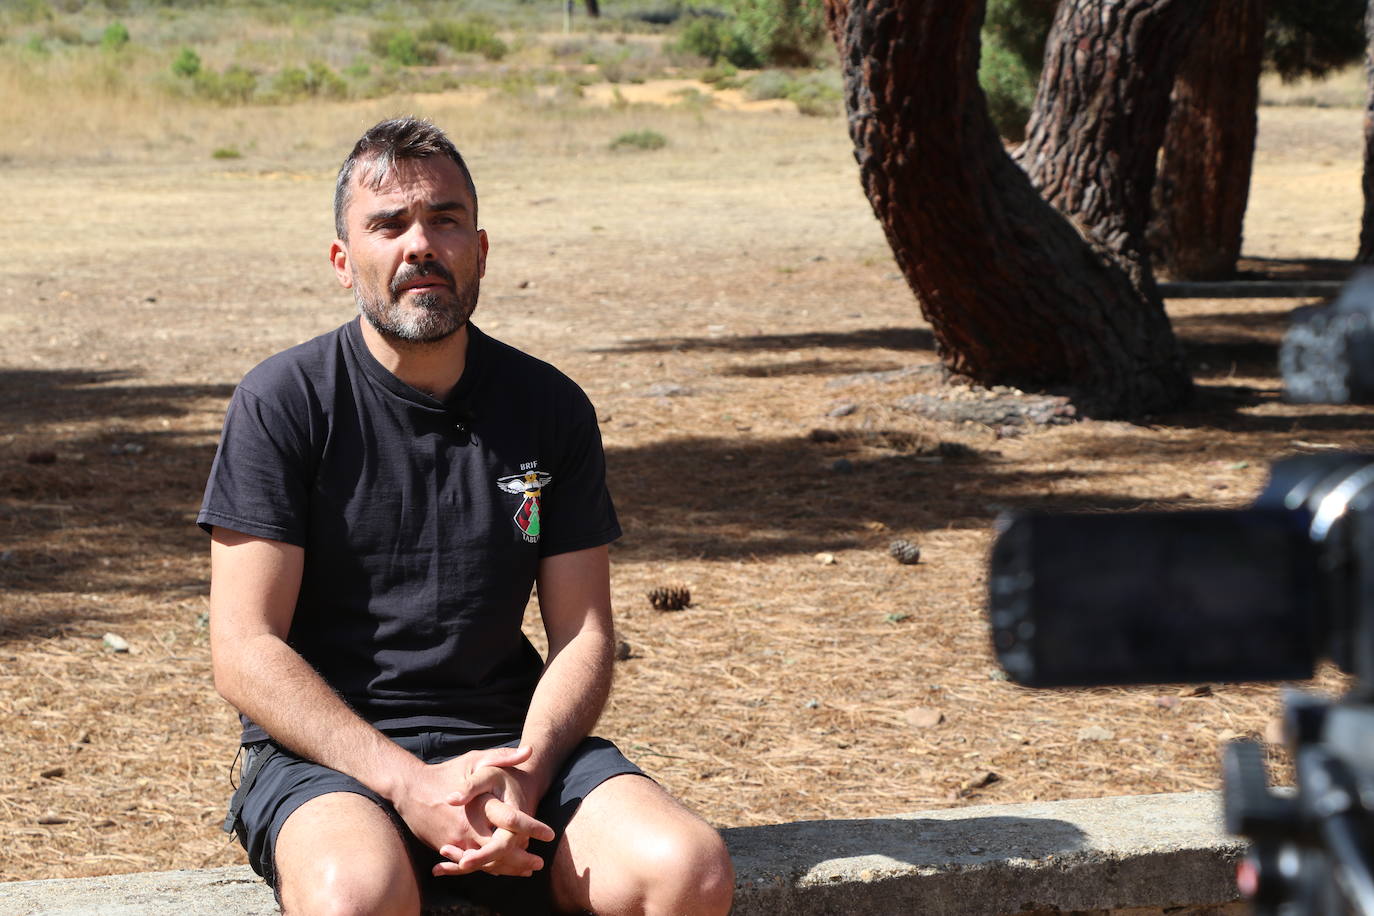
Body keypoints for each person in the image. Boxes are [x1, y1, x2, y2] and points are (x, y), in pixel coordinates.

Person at [198, 116, 734, 916]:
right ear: (345, 261)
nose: (420, 244)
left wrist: (527, 769)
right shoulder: (284, 403)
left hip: (511, 742)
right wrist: (408, 784)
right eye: (388, 224)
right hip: (330, 759)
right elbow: (244, 649)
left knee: (686, 870)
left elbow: (585, 631)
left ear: (479, 251)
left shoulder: (548, 407)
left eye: (445, 219)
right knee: (356, 894)